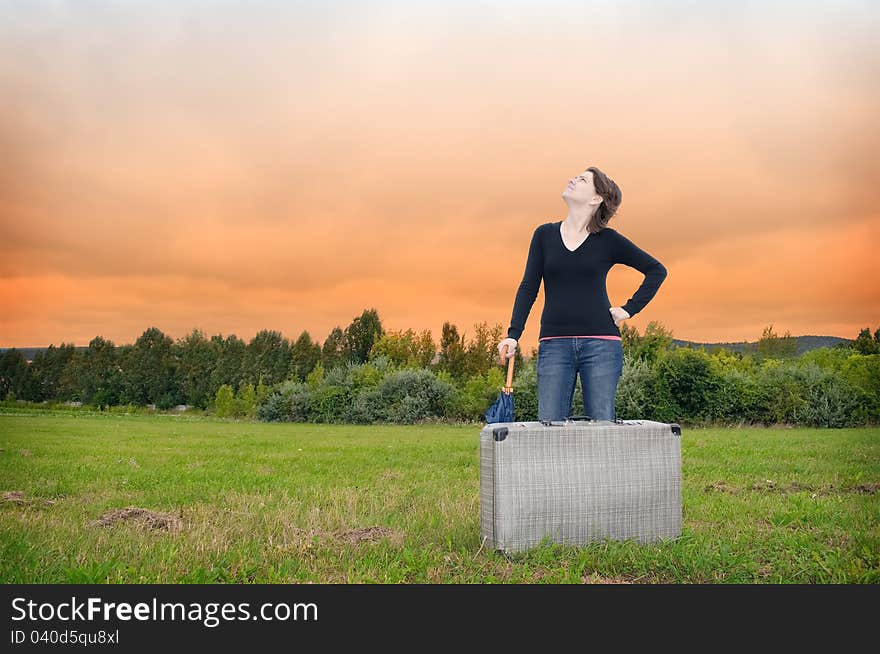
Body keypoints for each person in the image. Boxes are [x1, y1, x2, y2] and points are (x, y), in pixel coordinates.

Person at [497, 167, 667, 422]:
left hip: (602, 345)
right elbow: (528, 287)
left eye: (583, 179)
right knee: (550, 427)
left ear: (597, 198)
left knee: (601, 427)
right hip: (554, 345)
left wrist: (628, 309)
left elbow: (656, 270)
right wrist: (513, 335)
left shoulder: (608, 240)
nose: (573, 178)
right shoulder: (544, 235)